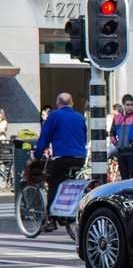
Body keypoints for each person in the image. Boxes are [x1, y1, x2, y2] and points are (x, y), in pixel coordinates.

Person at [32, 93, 87, 232]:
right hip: (80, 157)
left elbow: (44, 137)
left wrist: (36, 155)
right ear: (72, 104)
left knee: (54, 184)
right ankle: (67, 213)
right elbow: (84, 137)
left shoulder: (54, 115)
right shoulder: (80, 117)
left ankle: (51, 220)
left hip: (62, 157)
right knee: (72, 183)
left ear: (58, 104)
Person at [109, 94, 133, 180]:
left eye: (131, 105)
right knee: (124, 178)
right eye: (128, 105)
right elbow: (111, 133)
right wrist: (116, 144)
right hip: (121, 152)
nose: (130, 107)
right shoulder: (117, 117)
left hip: (132, 152)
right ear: (123, 105)